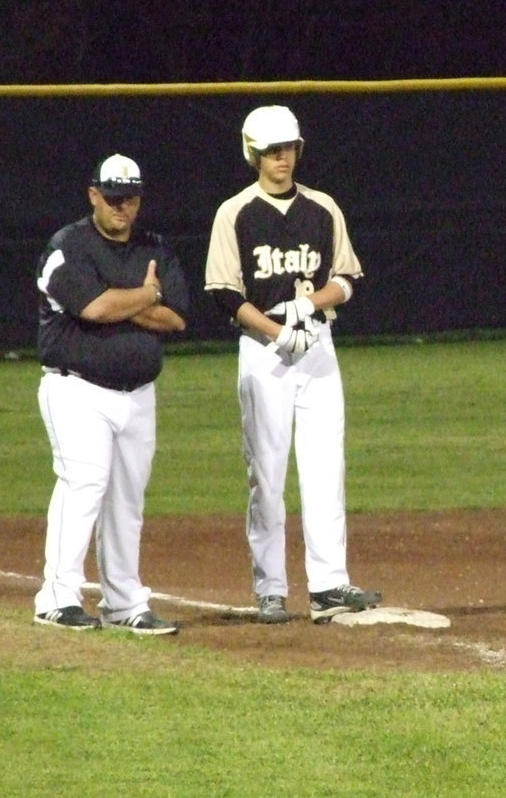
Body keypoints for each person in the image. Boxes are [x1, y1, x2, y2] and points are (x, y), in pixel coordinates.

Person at [204, 105, 381, 625]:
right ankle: (271, 589)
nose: (283, 158)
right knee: (268, 471)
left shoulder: (323, 208)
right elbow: (224, 292)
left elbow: (348, 278)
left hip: (318, 347)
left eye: (290, 149)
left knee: (327, 465)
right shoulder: (234, 212)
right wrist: (276, 330)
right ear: (253, 154)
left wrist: (308, 307)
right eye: (273, 151)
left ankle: (329, 585)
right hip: (264, 352)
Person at [33, 153, 190, 634]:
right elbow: (95, 309)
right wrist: (145, 296)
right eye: (115, 197)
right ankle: (56, 597)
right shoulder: (68, 247)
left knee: (127, 500)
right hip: (76, 389)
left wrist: (123, 301)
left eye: (132, 198)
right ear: (94, 195)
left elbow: (178, 317)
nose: (124, 207)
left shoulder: (155, 247)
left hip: (139, 394)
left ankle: (123, 602)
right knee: (84, 484)